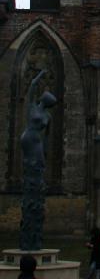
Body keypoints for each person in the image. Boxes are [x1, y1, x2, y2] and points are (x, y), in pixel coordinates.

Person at [20, 68, 58, 251]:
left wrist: (45, 153)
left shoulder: (48, 116)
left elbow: (48, 136)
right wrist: (40, 75)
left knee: (37, 175)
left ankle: (34, 236)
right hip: (28, 140)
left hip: (38, 145)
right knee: (31, 175)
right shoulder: (33, 107)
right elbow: (32, 87)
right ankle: (28, 236)